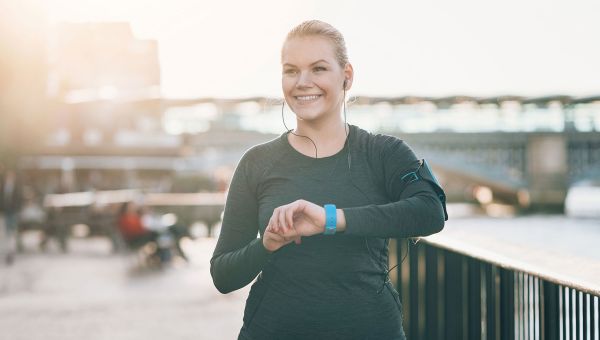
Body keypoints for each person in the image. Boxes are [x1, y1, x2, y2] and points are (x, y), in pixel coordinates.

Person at [210, 20, 448, 339]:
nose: (303, 82)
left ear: (346, 76)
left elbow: (431, 211)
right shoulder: (257, 163)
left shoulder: (383, 153)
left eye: (319, 69)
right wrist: (265, 245)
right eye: (291, 70)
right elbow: (223, 275)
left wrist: (331, 219)